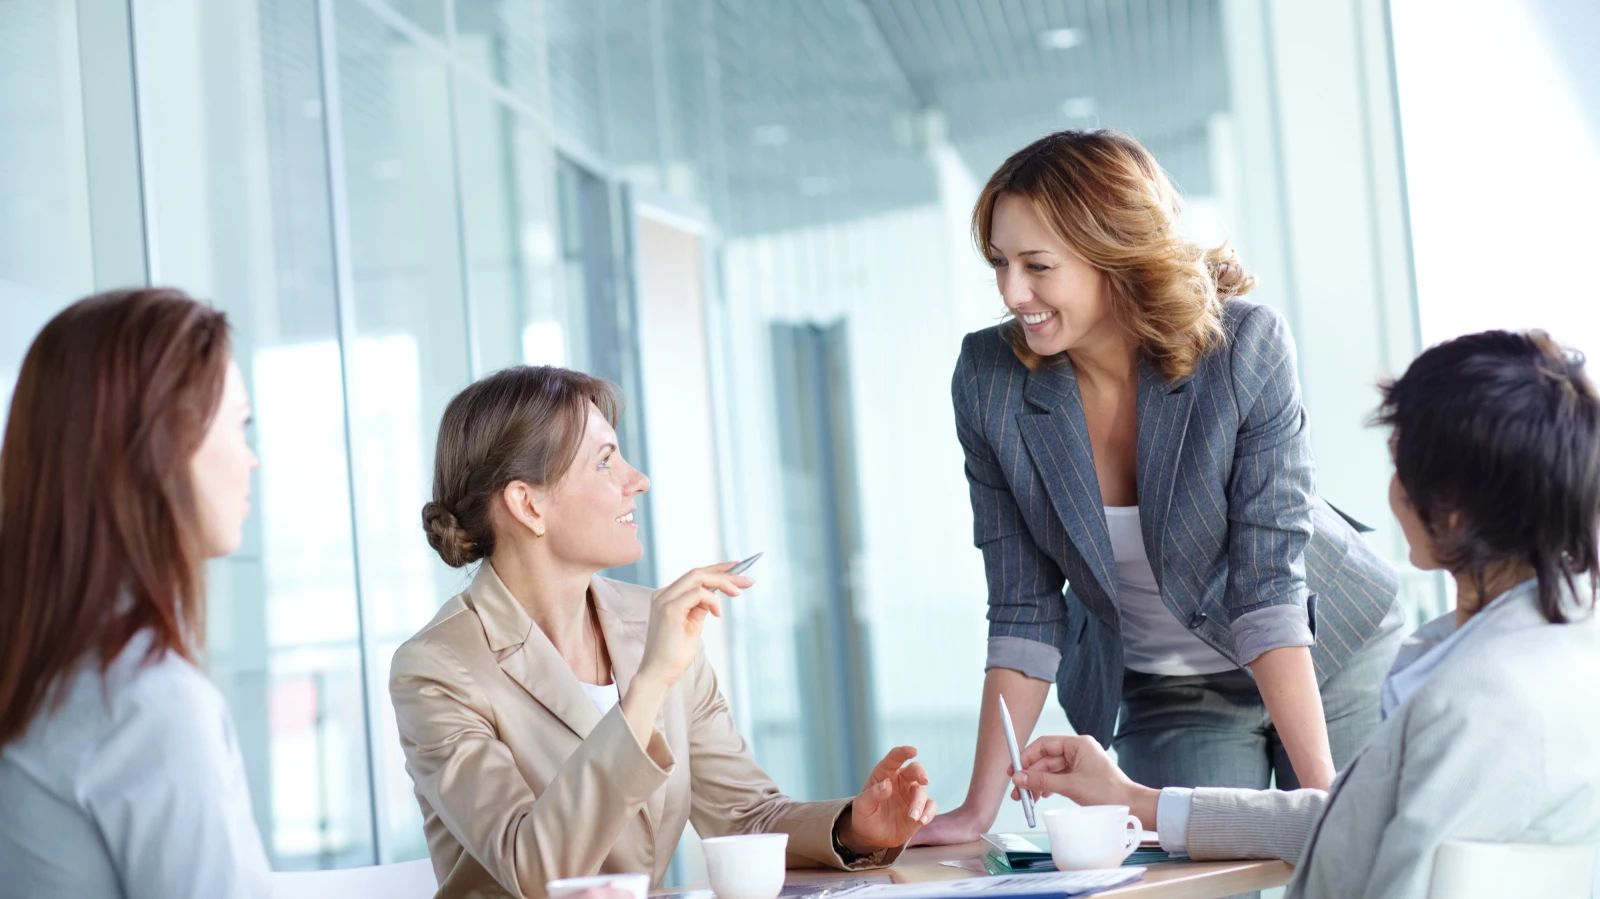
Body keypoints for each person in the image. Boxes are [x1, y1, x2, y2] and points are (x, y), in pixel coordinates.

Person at [919, 130, 1404, 845]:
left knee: (1357, 862)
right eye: (1000, 263)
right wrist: (974, 811)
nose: (1011, 292)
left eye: (1037, 265)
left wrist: (1325, 804)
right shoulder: (989, 380)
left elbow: (1268, 588)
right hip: (1171, 688)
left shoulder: (1244, 348)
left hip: (1328, 652)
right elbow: (1023, 607)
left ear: (1113, 254)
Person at [1011, 329, 1600, 898]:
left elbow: (1388, 868)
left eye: (1401, 466)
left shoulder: (1476, 702)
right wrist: (1136, 799)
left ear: (1448, 513)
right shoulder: (1550, 656)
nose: (1393, 489)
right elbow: (1351, 817)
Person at [390, 366, 935, 899]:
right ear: (528, 505)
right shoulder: (438, 667)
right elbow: (536, 871)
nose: (638, 480)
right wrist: (649, 683)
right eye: (605, 462)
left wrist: (853, 830)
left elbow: (745, 815)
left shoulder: (651, 622)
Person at [0, 289, 270, 898]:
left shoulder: (42, 676)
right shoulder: (147, 705)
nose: (251, 458)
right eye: (240, 422)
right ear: (163, 449)